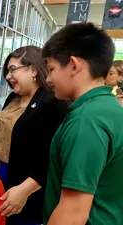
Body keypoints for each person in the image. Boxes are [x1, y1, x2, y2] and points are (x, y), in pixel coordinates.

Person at [42, 23, 123, 225]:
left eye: (51, 69)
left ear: (74, 65)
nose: (49, 79)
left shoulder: (87, 120)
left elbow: (72, 214)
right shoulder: (110, 108)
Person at [0, 46, 68, 225]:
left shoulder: (52, 103)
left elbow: (53, 156)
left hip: (26, 186)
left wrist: (25, 190)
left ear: (33, 69)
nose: (8, 77)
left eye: (12, 70)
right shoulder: (13, 98)